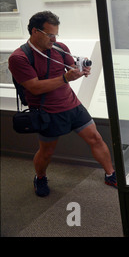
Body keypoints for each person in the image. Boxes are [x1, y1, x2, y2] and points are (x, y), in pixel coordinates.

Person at [8, 11, 117, 197]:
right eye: (49, 34)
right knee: (47, 152)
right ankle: (40, 177)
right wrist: (66, 78)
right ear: (35, 31)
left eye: (56, 34)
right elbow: (34, 87)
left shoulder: (59, 48)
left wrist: (81, 69)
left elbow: (70, 69)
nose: (53, 39)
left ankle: (110, 174)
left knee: (96, 139)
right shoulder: (19, 58)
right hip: (47, 112)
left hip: (72, 105)